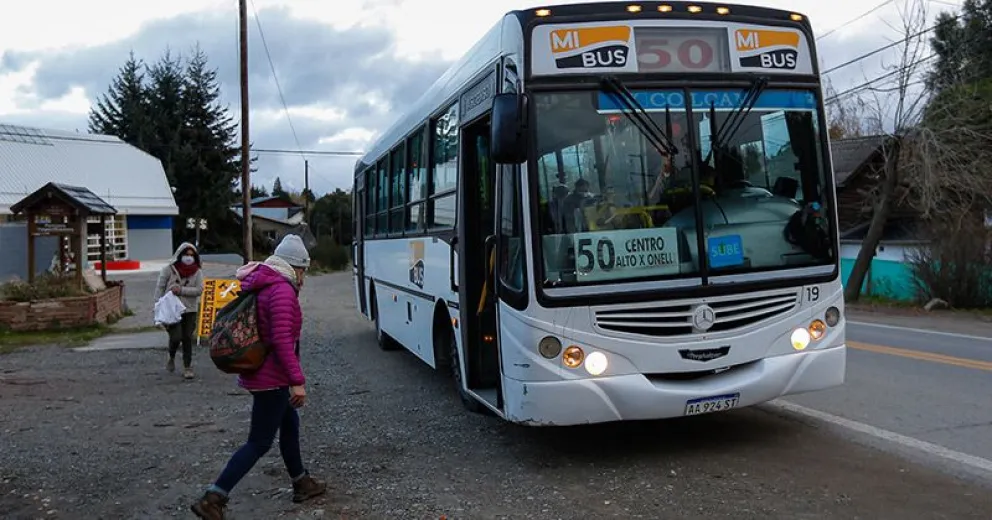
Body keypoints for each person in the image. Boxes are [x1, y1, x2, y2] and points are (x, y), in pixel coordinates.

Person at [191, 234, 326, 520]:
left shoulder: (265, 282)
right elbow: (281, 340)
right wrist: (296, 380)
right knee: (259, 442)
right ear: (297, 267)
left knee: (290, 425)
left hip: (263, 373)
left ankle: (301, 481)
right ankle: (213, 497)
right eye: (304, 270)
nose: (304, 277)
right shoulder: (281, 291)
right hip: (272, 378)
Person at [153, 242, 204, 380]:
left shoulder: (197, 272)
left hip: (190, 309)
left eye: (191, 255)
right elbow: (160, 288)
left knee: (187, 337)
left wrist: (181, 290)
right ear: (180, 255)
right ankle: (171, 354)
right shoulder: (168, 270)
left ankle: (188, 366)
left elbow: (199, 290)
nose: (188, 258)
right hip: (171, 310)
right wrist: (157, 306)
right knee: (176, 336)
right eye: (186, 255)